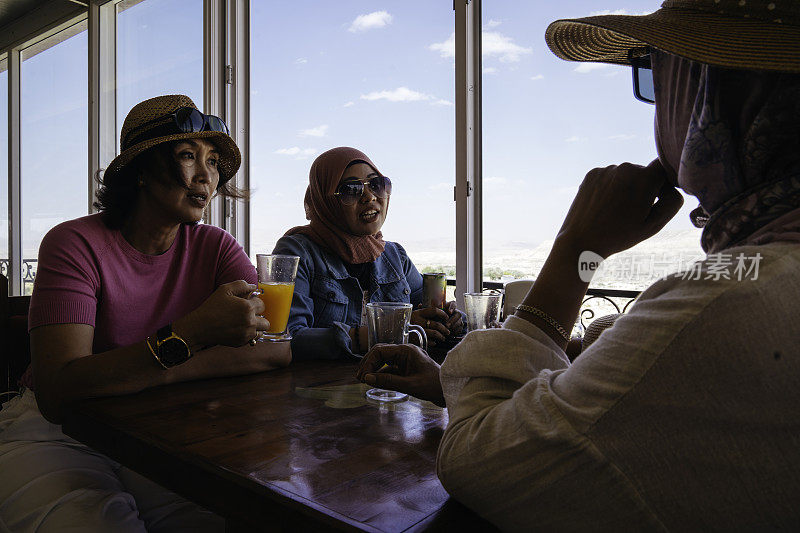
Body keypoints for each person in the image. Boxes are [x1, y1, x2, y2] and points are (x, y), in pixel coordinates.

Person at [358, 0, 800, 529]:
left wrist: (574, 252)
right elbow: (624, 388)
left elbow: (478, 462)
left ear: (716, 93)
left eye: (656, 73)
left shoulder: (726, 304)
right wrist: (453, 383)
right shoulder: (753, 280)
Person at [0, 94, 291, 532]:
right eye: (188, 156)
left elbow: (275, 347)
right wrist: (190, 335)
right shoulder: (74, 244)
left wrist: (158, 368)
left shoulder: (215, 246)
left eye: (214, 162)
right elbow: (58, 391)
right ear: (140, 169)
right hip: (55, 432)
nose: (205, 176)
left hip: (162, 430)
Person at [272, 147, 463, 361]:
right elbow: (287, 340)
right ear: (325, 201)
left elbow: (427, 316)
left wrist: (450, 319)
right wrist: (386, 333)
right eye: (351, 189)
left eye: (377, 184)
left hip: (394, 388)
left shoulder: (394, 256)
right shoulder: (296, 253)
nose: (369, 196)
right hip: (321, 389)